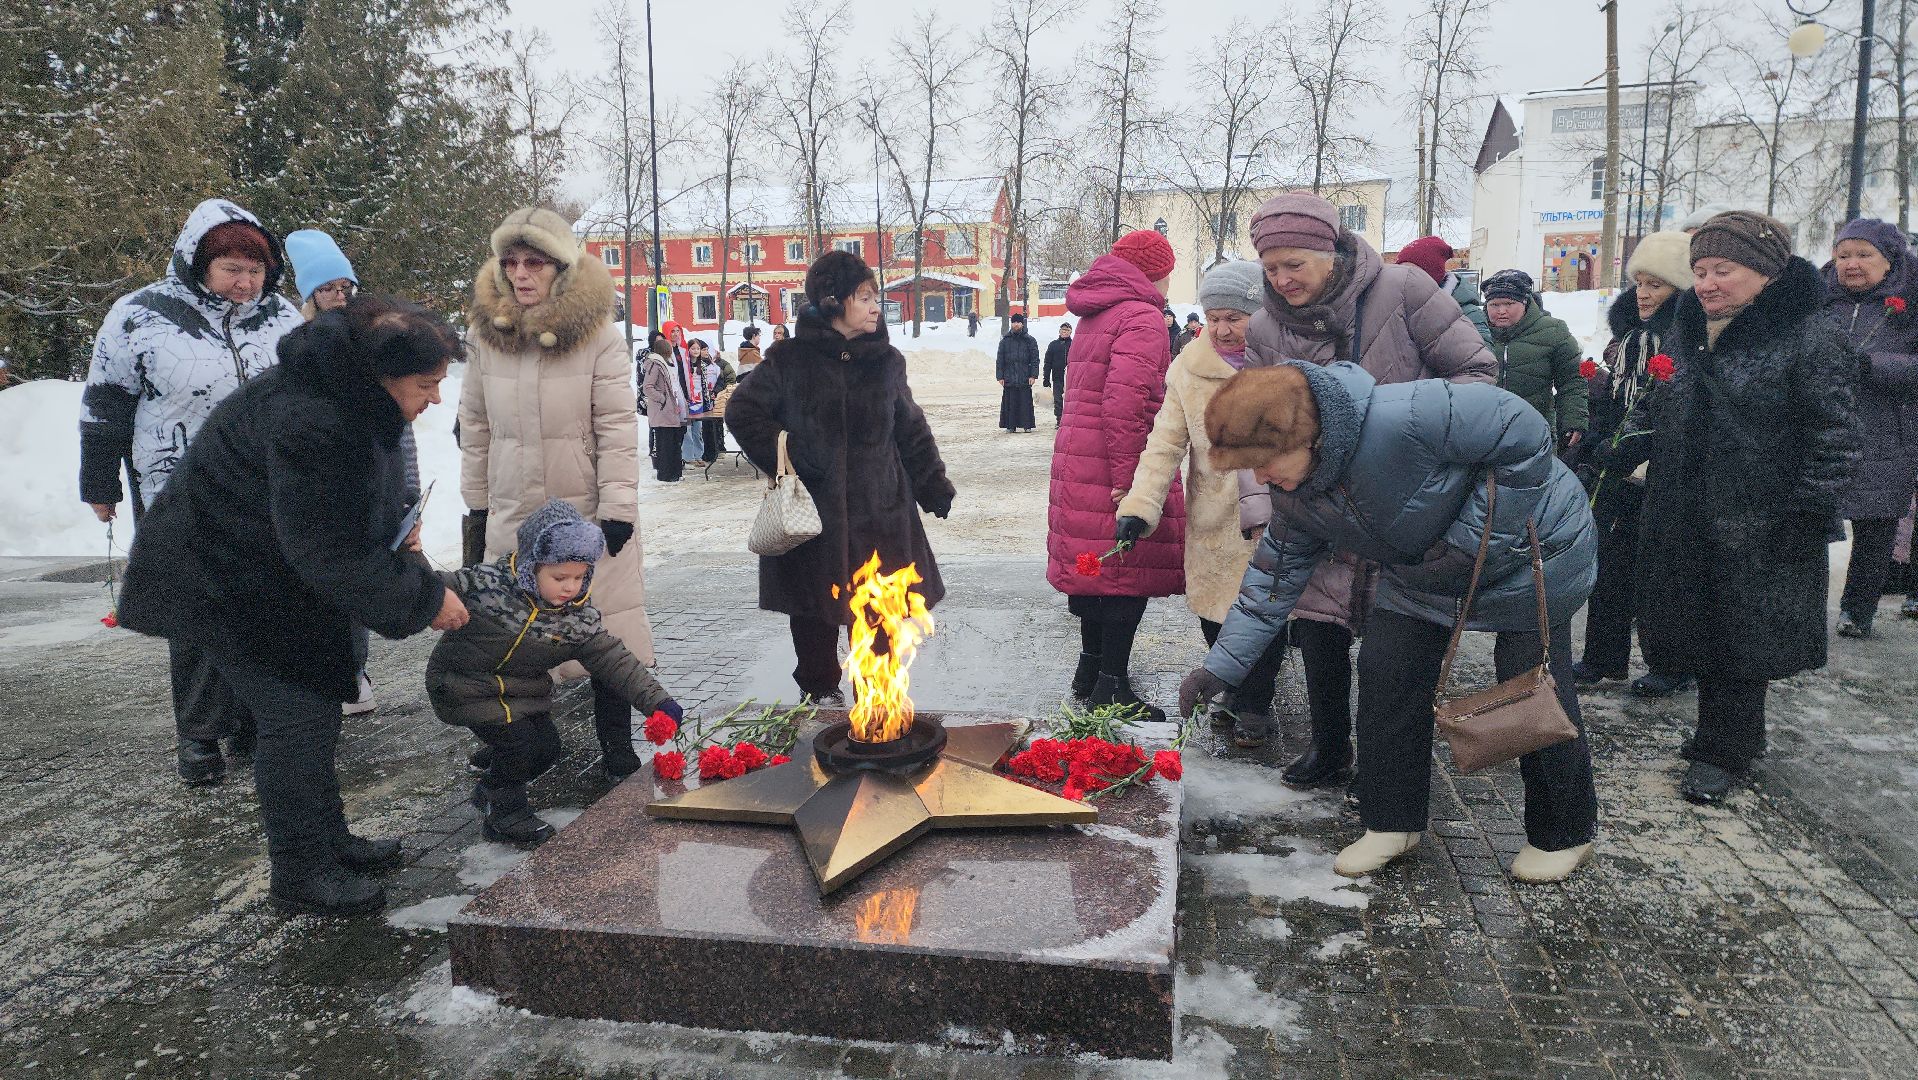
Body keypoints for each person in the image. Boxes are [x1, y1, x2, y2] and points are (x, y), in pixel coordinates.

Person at [1178, 361, 1600, 883]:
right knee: (1386, 671)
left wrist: (1476, 539)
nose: (1261, 479)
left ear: (1310, 436)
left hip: (1532, 548)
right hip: (1422, 567)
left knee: (1531, 681)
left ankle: (1563, 832)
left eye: (1266, 462)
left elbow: (1526, 431)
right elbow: (1272, 580)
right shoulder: (1296, 495)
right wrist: (1220, 670)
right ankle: (1392, 822)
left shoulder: (1404, 416)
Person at [115, 295, 466, 915]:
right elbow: (328, 549)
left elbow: (342, 515)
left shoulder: (348, 398)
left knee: (317, 707)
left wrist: (393, 533)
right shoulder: (312, 417)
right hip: (219, 581)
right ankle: (302, 875)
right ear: (379, 375)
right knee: (294, 719)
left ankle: (329, 841)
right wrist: (424, 598)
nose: (435, 397)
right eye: (425, 384)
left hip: (268, 574)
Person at [1241, 192, 1497, 782]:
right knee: (1318, 630)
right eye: (1271, 269)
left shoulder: (1405, 290)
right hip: (1318, 505)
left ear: (1330, 251)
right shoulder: (1264, 327)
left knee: (1394, 652)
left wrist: (1395, 430)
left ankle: (1390, 774)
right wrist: (1261, 501)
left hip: (1405, 502)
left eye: (1294, 265)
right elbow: (1254, 421)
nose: (1282, 281)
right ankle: (1330, 750)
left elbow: (1478, 375)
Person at [1628, 211, 1860, 804]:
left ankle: (1724, 752)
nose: (1706, 283)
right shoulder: (1688, 329)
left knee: (1741, 638)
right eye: (1700, 270)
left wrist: (1804, 514)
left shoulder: (1808, 335)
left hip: (1764, 518)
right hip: (1688, 507)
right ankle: (1728, 734)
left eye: (1722, 271)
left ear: (1764, 275)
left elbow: (1837, 436)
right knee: (1699, 625)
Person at [80, 197, 304, 786]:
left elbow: (312, 396)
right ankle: (202, 735)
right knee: (199, 613)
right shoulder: (139, 315)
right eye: (231, 268)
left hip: (269, 492)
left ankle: (258, 723)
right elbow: (106, 402)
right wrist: (99, 481)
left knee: (266, 609)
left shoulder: (281, 317)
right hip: (182, 490)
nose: (244, 282)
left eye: (254, 271)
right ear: (198, 261)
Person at [459, 207, 656, 782]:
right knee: (513, 632)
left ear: (561, 269)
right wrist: (476, 505)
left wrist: (617, 508)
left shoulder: (598, 336)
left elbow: (618, 428)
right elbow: (475, 426)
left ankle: (617, 745)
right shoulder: (486, 335)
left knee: (606, 627)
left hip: (587, 514)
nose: (521, 274)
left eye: (535, 262)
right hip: (513, 510)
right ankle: (515, 738)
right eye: (511, 262)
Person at [726, 251, 956, 704]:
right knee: (813, 611)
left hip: (880, 510)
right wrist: (792, 451)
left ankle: (878, 697)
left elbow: (910, 427)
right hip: (815, 515)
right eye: (865, 297)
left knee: (879, 606)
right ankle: (819, 693)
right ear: (833, 302)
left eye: (876, 297)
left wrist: (933, 485)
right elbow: (742, 411)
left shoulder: (886, 361)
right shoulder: (789, 360)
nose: (876, 306)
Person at [431, 499, 684, 845]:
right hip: (464, 685)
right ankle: (505, 812)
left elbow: (614, 661)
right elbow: (427, 589)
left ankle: (494, 783)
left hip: (521, 695)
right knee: (519, 747)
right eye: (559, 577)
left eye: (580, 577)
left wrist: (659, 702)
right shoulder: (487, 584)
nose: (570, 587)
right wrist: (419, 576)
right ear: (531, 567)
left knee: (547, 749)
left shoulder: (575, 618)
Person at [1117, 261, 1286, 745]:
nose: (1222, 328)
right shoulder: (1188, 369)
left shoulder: (1282, 363)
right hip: (1213, 520)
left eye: (1234, 316)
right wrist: (1139, 506)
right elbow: (1164, 443)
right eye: (1213, 317)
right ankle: (1231, 688)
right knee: (1216, 612)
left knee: (1268, 613)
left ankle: (1255, 706)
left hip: (1274, 516)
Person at [1047, 230, 1187, 721]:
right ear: (1158, 272)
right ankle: (1112, 685)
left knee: (1097, 571)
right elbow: (1126, 406)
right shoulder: (1143, 316)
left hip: (1079, 457)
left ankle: (1090, 672)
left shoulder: (1096, 311)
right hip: (1115, 460)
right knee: (1127, 573)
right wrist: (1133, 486)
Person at [286, 228, 421, 717]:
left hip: (368, 480)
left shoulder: (374, 345)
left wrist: (407, 490)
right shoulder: (293, 347)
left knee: (357, 580)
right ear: (309, 296)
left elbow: (400, 422)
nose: (340, 298)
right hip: (314, 483)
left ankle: (353, 670)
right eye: (328, 289)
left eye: (347, 288)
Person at [1573, 231, 1696, 698]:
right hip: (1620, 467)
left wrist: (1637, 445)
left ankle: (1673, 664)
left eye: (1657, 285)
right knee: (1611, 562)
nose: (1643, 294)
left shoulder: (1685, 341)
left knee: (1663, 574)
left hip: (1666, 471)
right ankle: (1605, 657)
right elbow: (1623, 400)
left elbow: (1674, 409)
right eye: (1640, 283)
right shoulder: (1628, 339)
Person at [1822, 218, 1918, 639]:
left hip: (1885, 432)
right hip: (1822, 431)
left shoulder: (1910, 302)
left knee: (1875, 526)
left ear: (1889, 260)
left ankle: (1858, 610)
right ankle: (1803, 605)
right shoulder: (1817, 300)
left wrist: (1871, 367)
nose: (1852, 264)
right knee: (1808, 521)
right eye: (1844, 255)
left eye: (1864, 255)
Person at [1481, 269, 1589, 447]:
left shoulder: (1553, 331)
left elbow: (1571, 380)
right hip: (1483, 433)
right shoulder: (1474, 332)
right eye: (1494, 305)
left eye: (1509, 303)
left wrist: (1573, 420)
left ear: (1525, 303)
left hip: (1535, 432)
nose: (1501, 311)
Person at [1395, 236, 1492, 346]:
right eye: (1400, 271)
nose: (1404, 277)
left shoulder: (1467, 313)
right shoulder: (1397, 307)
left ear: (1431, 276)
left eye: (1412, 272)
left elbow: (1482, 357)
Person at [641, 331, 688, 482]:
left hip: (670, 409)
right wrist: (663, 399)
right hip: (662, 411)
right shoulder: (655, 365)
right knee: (665, 444)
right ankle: (666, 474)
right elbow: (647, 387)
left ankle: (675, 473)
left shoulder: (665, 364)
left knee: (673, 442)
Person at [997, 312, 1040, 432]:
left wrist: (1033, 375)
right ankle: (1010, 426)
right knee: (1010, 403)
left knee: (1025, 403)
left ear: (1022, 324)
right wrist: (1000, 376)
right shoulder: (1005, 341)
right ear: (1011, 324)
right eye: (1014, 322)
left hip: (1025, 376)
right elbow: (1000, 360)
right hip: (1009, 376)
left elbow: (1035, 359)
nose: (1016, 324)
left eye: (1018, 322)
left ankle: (1027, 426)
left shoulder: (1030, 340)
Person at [1043, 323, 1073, 424]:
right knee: (1058, 400)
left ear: (1070, 332)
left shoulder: (1074, 344)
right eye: (1062, 330)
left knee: (1070, 400)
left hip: (1071, 378)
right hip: (1057, 378)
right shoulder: (1053, 345)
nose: (1064, 332)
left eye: (1066, 330)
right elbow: (1047, 363)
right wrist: (1046, 379)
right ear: (1059, 331)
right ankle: (1059, 420)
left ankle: (1069, 420)